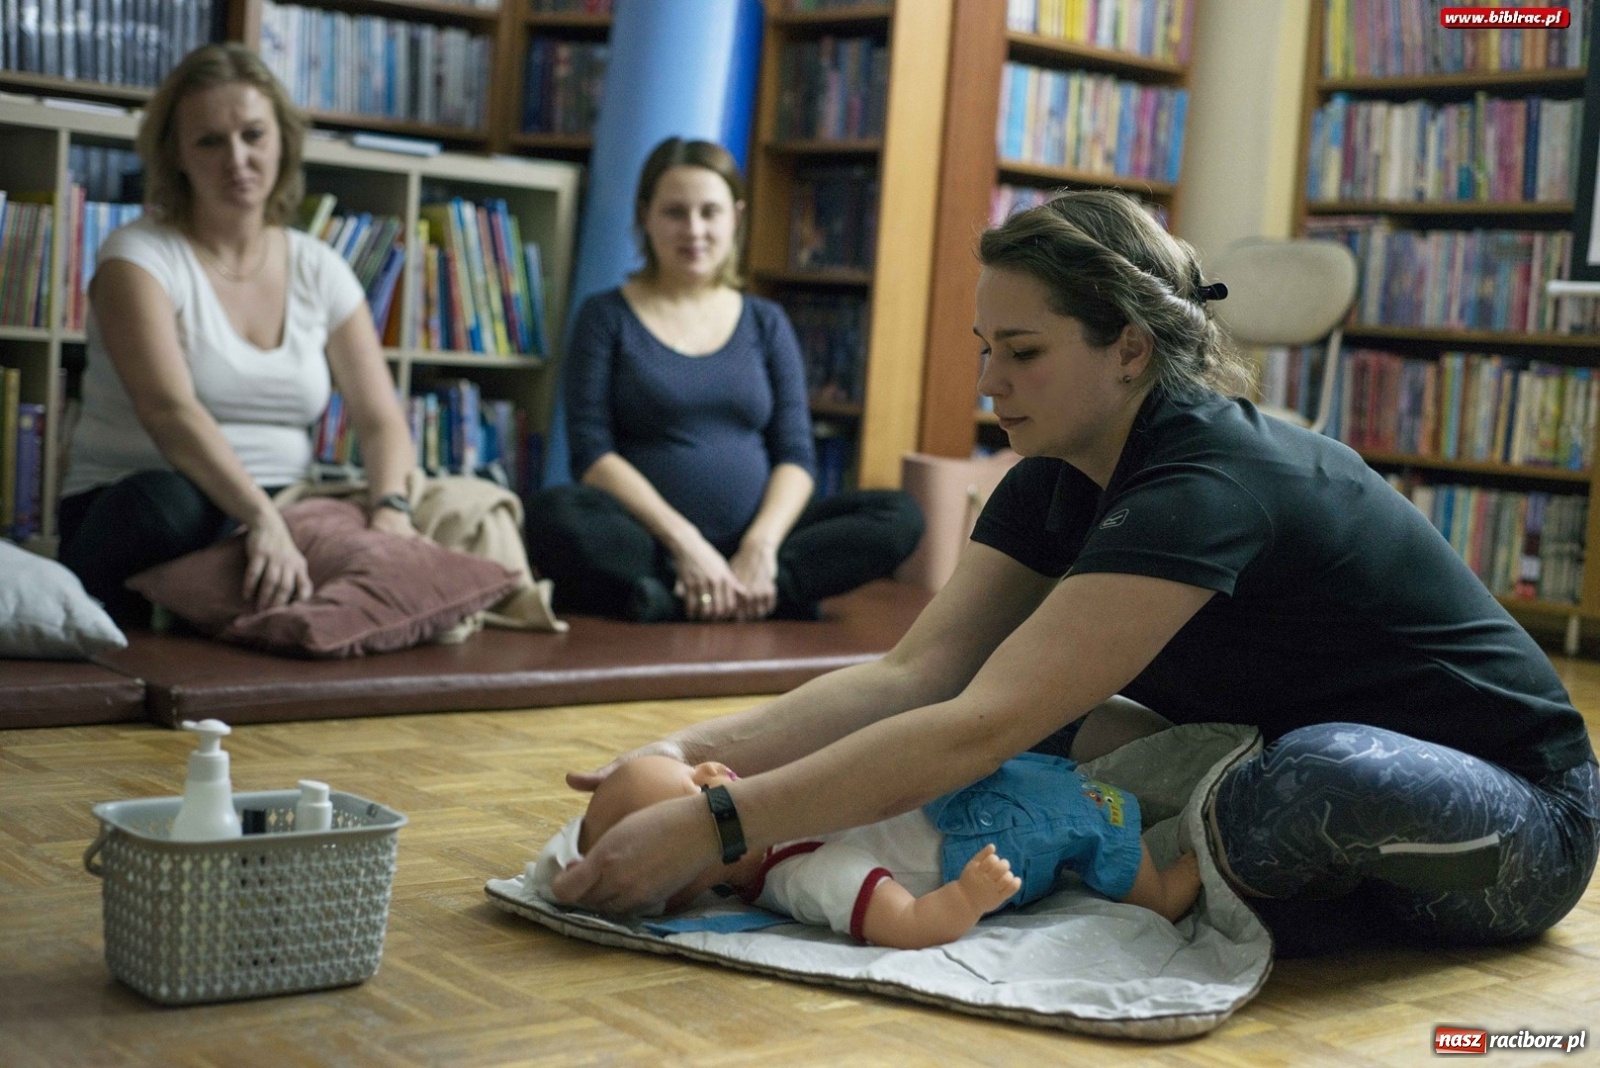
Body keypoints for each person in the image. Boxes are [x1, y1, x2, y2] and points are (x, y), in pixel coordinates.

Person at [549, 190, 1600, 957]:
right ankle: (1172, 873)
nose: (988, 381)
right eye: (984, 349)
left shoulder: (1208, 481)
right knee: (1055, 726)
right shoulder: (1050, 479)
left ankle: (1198, 888)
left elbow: (979, 726)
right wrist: (687, 756)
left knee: (1306, 775)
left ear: (1130, 349)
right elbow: (916, 677)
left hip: (1520, 833)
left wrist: (717, 827)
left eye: (1022, 352)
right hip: (1275, 764)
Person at [58, 44, 418, 625]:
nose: (237, 159)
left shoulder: (319, 266)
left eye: (253, 135)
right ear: (175, 154)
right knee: (163, 505)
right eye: (209, 141)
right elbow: (169, 412)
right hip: (150, 503)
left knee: (411, 519)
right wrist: (261, 519)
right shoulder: (137, 257)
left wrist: (391, 508)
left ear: (282, 141)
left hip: (287, 503)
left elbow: (381, 420)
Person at [524, 137, 923, 623]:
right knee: (552, 514)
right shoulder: (605, 316)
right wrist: (685, 541)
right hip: (651, 540)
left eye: (709, 212)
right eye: (675, 212)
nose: (693, 229)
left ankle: (696, 594)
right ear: (646, 216)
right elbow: (592, 456)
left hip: (765, 540)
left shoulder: (766, 322)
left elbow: (796, 455)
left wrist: (761, 544)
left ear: (735, 217)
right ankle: (756, 594)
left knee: (898, 516)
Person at [557, 754, 1199, 949]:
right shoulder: (802, 874)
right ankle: (1172, 888)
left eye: (693, 767)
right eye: (696, 795)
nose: (710, 771)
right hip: (991, 833)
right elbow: (906, 923)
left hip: (959, 784)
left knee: (1062, 775)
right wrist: (968, 898)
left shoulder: (774, 803)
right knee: (1093, 822)